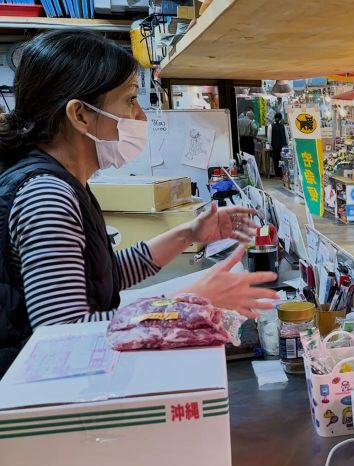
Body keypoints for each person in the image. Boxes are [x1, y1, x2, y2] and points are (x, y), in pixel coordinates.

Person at [0, 30, 279, 373]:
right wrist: (192, 301)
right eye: (130, 99)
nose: (141, 117)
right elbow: (66, 334)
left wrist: (189, 233)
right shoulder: (47, 195)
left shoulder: (66, 181)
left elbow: (104, 276)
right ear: (80, 115)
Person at [267, 112, 287, 178]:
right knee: (282, 159)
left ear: (274, 118)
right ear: (281, 118)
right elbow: (286, 136)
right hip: (282, 145)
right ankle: (282, 174)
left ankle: (277, 174)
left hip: (274, 145)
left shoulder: (271, 126)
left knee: (276, 160)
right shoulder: (283, 126)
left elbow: (269, 137)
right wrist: (287, 144)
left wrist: (270, 145)